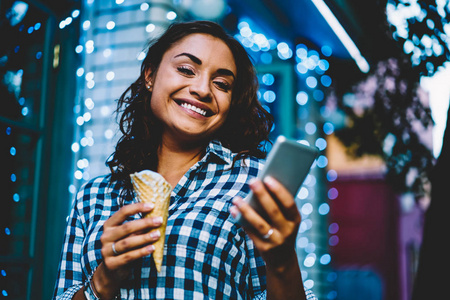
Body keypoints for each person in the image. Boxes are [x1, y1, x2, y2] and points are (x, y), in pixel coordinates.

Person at [53, 20, 317, 300]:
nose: (203, 90)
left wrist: (283, 261)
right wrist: (103, 281)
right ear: (150, 75)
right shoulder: (93, 197)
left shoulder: (251, 183)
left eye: (221, 84)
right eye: (186, 70)